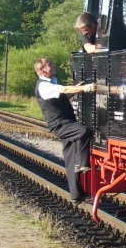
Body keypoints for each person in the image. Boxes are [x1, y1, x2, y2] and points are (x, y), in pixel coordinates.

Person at [34, 57, 95, 204]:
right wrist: (85, 88)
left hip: (65, 121)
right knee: (84, 132)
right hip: (59, 124)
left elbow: (63, 94)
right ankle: (81, 163)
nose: (53, 66)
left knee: (69, 159)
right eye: (49, 65)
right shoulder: (43, 86)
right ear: (42, 70)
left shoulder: (52, 82)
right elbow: (64, 89)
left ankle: (76, 196)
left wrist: (76, 88)